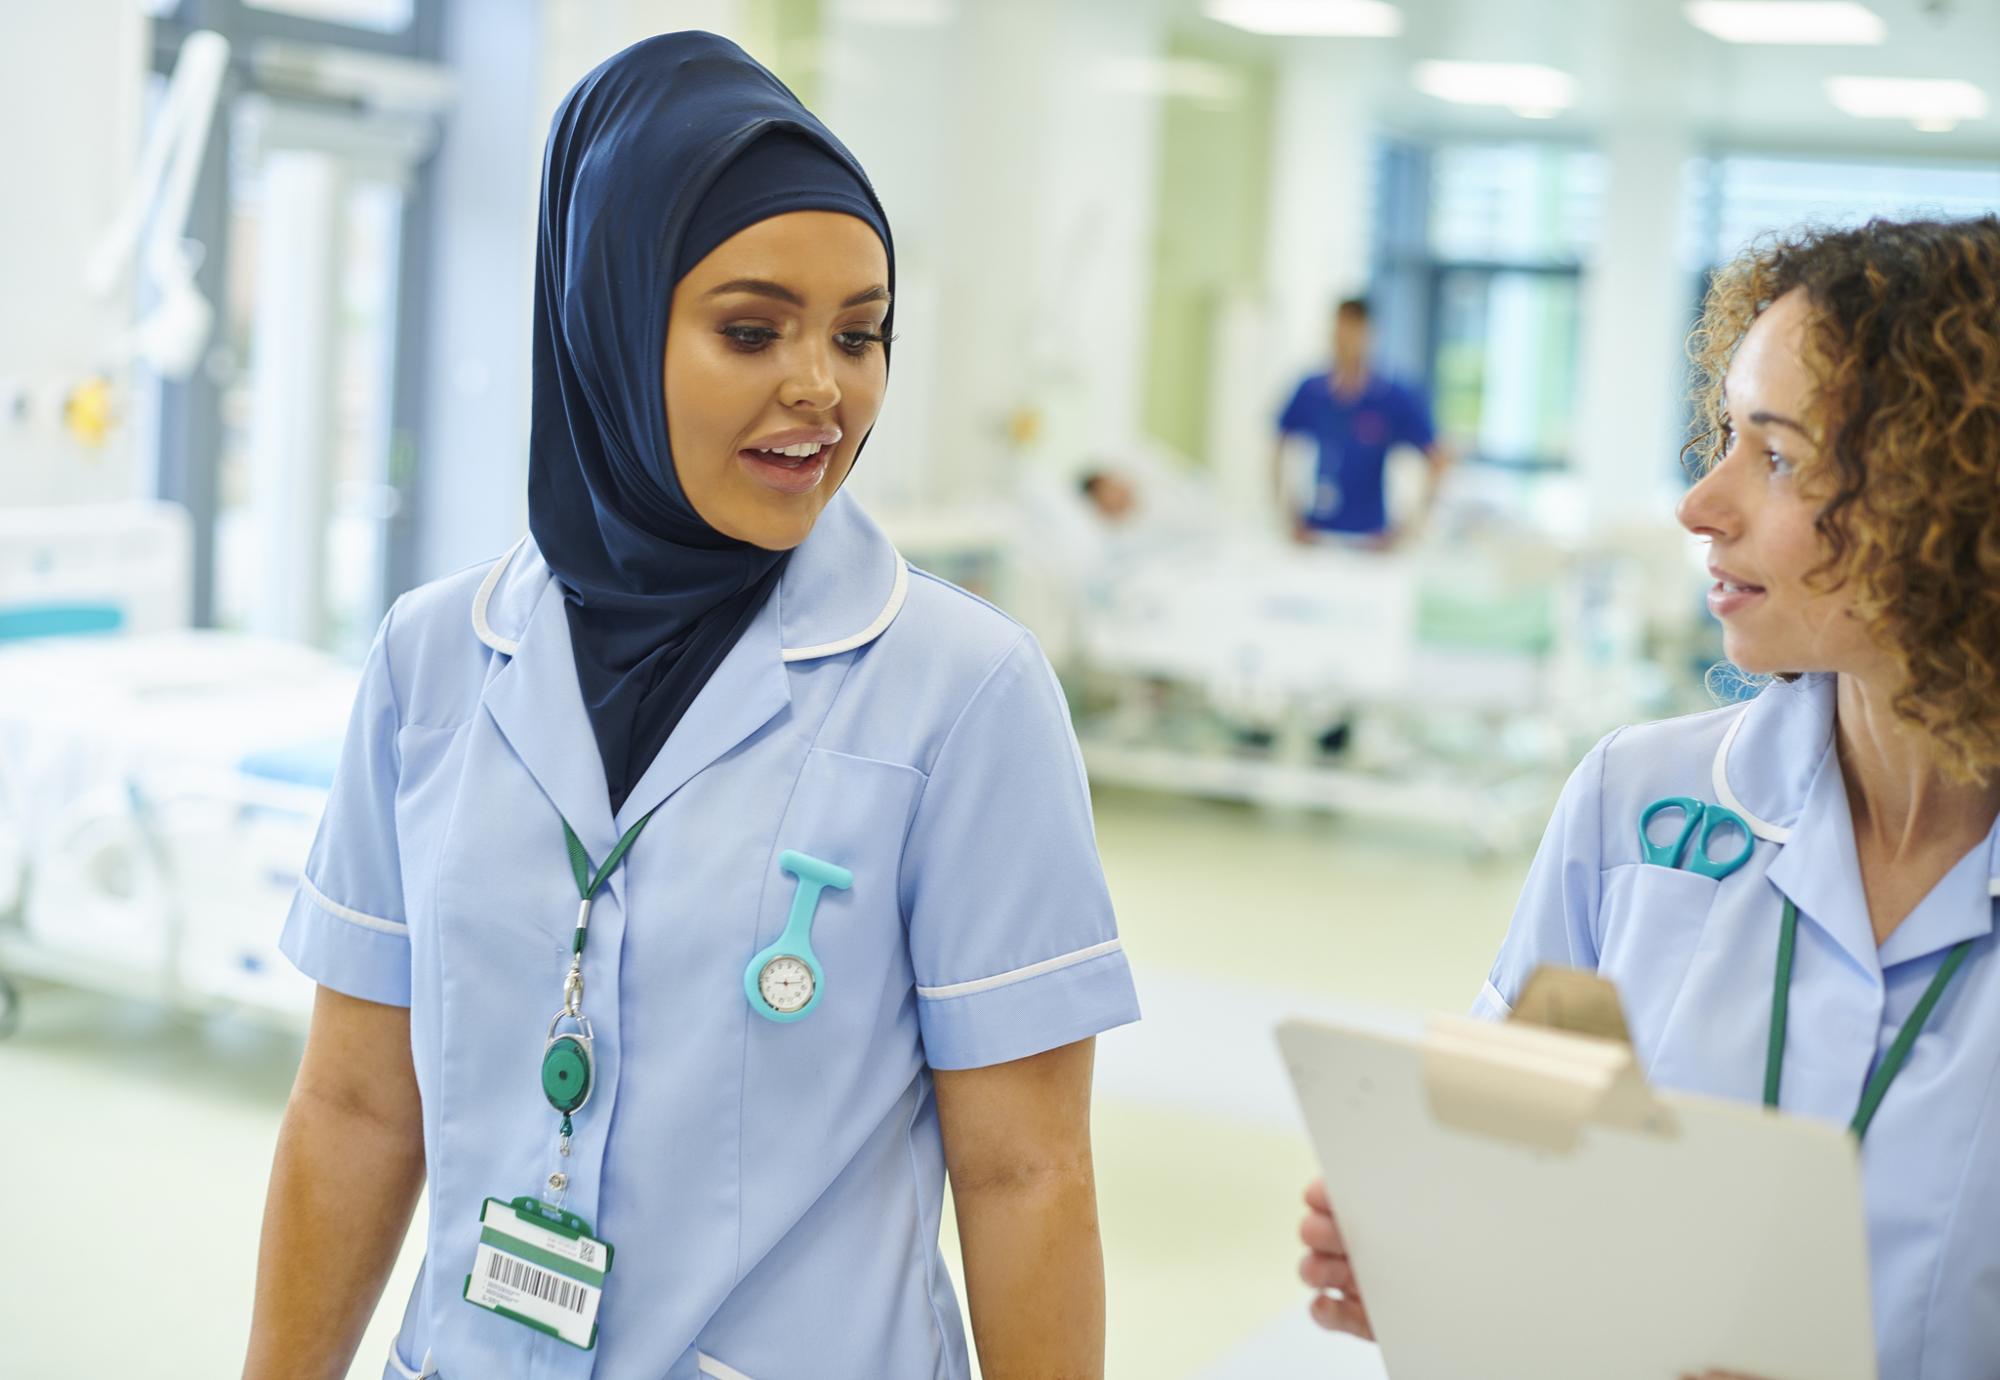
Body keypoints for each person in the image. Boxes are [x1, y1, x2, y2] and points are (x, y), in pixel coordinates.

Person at [245, 33, 1139, 1380]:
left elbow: (1025, 1177)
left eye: (860, 334)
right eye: (751, 329)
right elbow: (359, 1107)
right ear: (606, 318)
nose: (820, 389)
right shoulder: (436, 661)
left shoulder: (962, 698)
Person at [1299, 216, 2000, 1378]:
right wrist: (1433, 1265)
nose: (1699, 505)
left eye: (1774, 457)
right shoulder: (1635, 804)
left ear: (1949, 502)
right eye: (1722, 437)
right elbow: (1505, 1174)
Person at [1272, 297, 1451, 549]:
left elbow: (1439, 459)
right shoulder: (1311, 391)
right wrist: (1287, 514)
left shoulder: (1392, 396)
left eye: (1352, 332)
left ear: (1369, 334)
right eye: (1339, 332)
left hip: (1369, 541)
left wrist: (1410, 528)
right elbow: (1278, 444)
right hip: (1314, 537)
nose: (1344, 341)